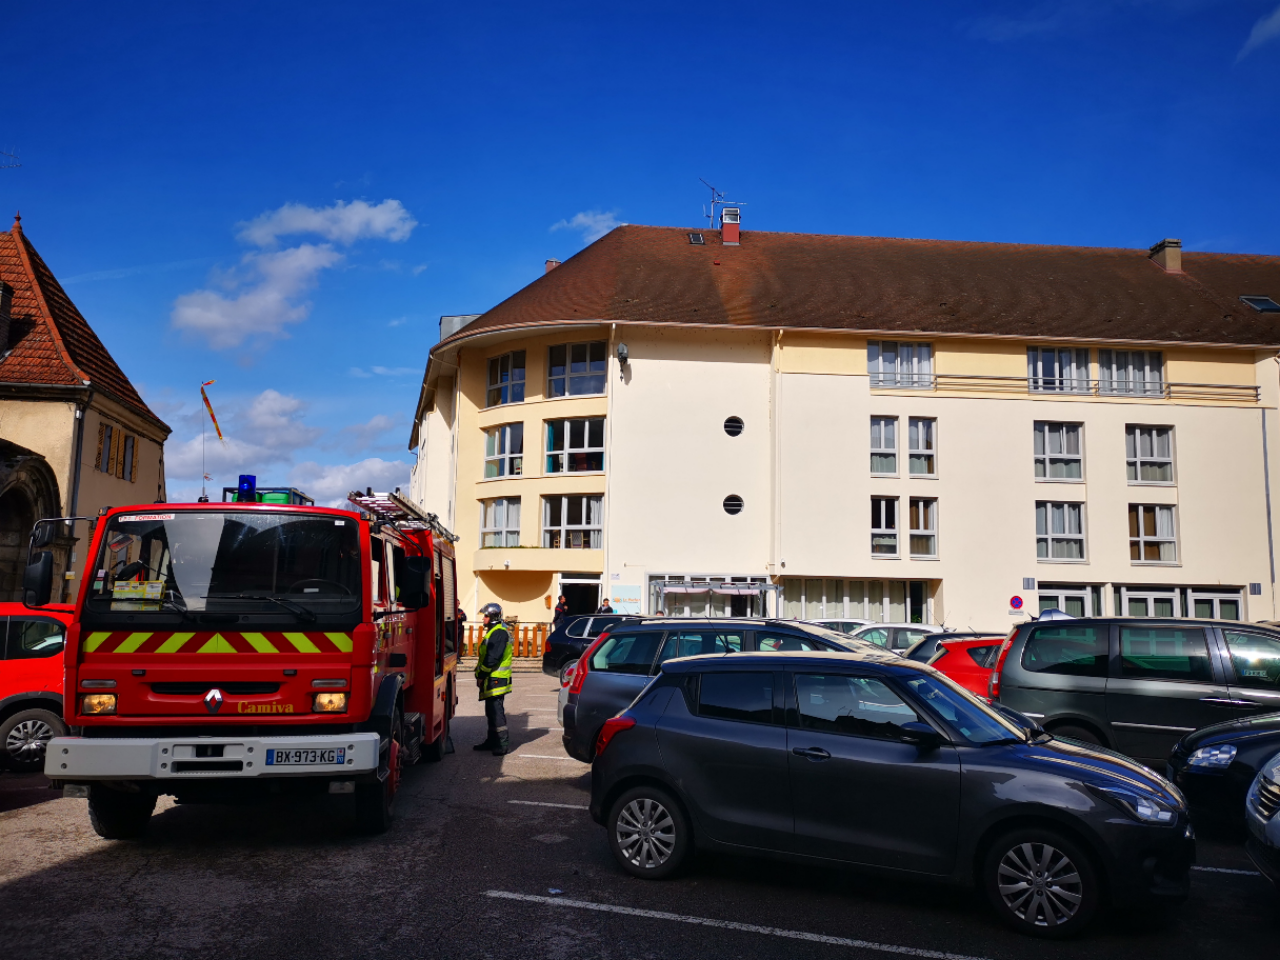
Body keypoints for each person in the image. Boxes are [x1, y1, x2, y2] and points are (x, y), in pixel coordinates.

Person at [473, 602, 513, 756]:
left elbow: (492, 658)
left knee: (496, 712)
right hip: (492, 678)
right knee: (491, 711)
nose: (483, 619)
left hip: (496, 678)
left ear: (493, 617)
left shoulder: (498, 633)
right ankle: (492, 741)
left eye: (486, 616)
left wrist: (481, 675)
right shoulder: (494, 632)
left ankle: (502, 744)